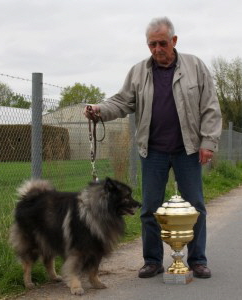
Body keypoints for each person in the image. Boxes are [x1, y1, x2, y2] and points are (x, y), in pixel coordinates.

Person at [83, 16, 222, 279]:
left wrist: (208, 142)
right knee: (149, 209)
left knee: (195, 207)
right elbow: (121, 102)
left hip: (188, 150)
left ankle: (198, 260)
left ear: (174, 41)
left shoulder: (195, 67)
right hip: (153, 151)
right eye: (152, 45)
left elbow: (211, 107)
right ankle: (152, 261)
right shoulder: (138, 72)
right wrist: (99, 110)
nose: (157, 49)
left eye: (162, 43)